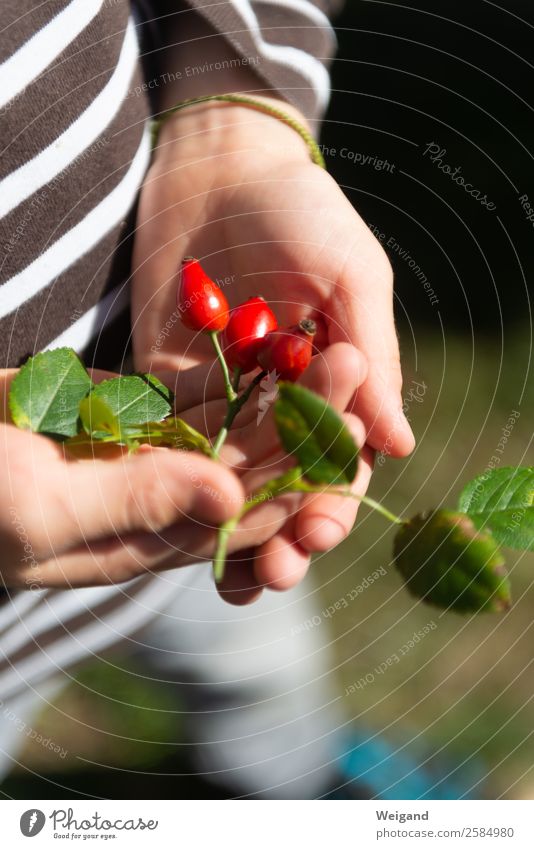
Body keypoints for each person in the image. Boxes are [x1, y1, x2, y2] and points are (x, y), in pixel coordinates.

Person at [0, 0, 415, 798]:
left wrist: (238, 110)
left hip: (180, 434)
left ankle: (307, 785)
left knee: (265, 673)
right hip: (17, 602)